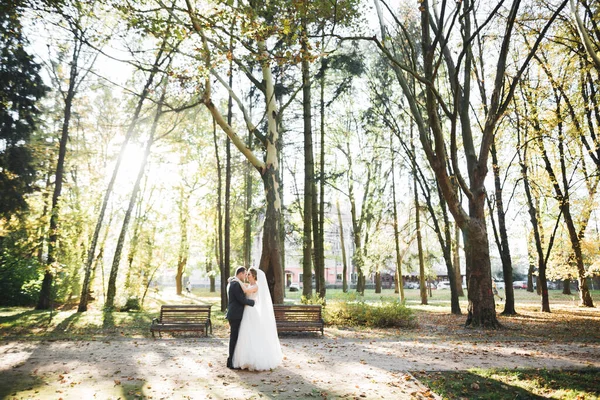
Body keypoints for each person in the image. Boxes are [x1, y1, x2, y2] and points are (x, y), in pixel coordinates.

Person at [232, 267, 283, 371]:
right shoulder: (250, 285)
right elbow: (245, 287)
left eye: (249, 274)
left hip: (251, 312)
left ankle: (253, 360)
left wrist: (236, 280)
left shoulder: (256, 286)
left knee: (252, 334)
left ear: (254, 276)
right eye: (247, 274)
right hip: (246, 311)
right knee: (245, 335)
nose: (247, 276)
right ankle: (244, 359)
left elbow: (246, 290)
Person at [226, 266, 255, 369]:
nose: (246, 276)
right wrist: (253, 303)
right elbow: (241, 300)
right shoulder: (235, 284)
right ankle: (231, 361)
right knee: (234, 338)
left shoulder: (234, 282)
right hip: (235, 315)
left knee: (235, 338)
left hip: (235, 314)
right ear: (241, 273)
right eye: (245, 274)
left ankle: (233, 360)